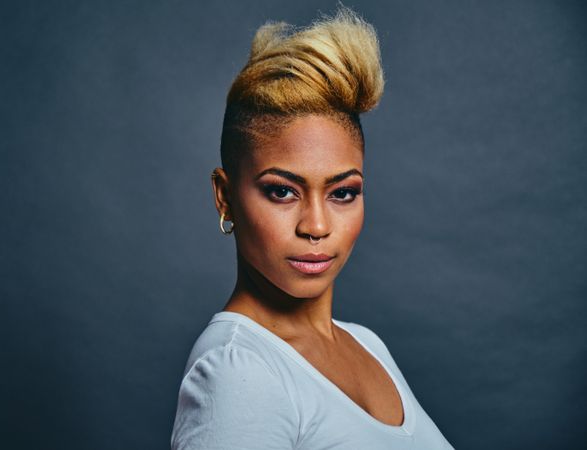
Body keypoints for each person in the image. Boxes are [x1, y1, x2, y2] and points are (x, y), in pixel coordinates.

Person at [171, 5, 454, 449]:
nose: (317, 226)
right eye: (282, 191)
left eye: (342, 193)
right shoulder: (237, 372)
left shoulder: (367, 345)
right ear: (225, 196)